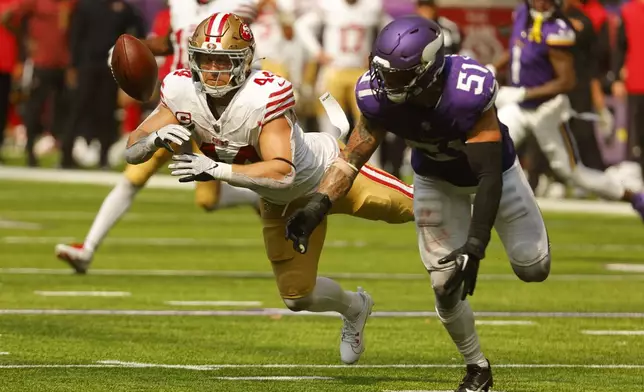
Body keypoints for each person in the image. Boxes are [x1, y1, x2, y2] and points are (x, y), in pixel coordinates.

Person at [125, 12, 414, 364]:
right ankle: (355, 308)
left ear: (245, 61)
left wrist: (216, 169)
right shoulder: (182, 91)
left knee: (418, 209)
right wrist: (153, 137)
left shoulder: (263, 95)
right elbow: (132, 148)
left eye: (223, 60)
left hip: (331, 174)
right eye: (206, 59)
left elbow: (283, 172)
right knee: (296, 297)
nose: (214, 70)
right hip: (281, 202)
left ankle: (485, 206)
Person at [285, 16, 554, 391]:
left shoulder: (467, 90)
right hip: (435, 179)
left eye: (397, 75)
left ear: (429, 71)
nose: (384, 82)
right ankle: (477, 366)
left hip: (498, 174)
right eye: (383, 71)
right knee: (444, 286)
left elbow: (489, 175)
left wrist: (476, 244)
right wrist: (318, 205)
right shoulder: (376, 96)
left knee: (533, 267)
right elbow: (351, 158)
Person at [54, 1, 262, 273]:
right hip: (176, 103)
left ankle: (257, 195)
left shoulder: (235, 5)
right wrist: (133, 49)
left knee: (208, 200)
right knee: (134, 175)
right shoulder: (181, 4)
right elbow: (170, 42)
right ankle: (88, 249)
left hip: (213, 110)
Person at [493, 0, 644, 219]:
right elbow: (517, 47)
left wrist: (524, 92)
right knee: (489, 149)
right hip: (518, 107)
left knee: (574, 174)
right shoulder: (524, 14)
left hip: (547, 110)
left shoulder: (558, 30)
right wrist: (492, 69)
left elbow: (566, 81)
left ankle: (633, 197)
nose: (542, 3)